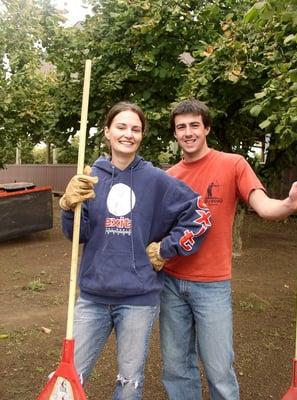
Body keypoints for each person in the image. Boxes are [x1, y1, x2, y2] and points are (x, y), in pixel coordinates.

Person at [59, 101, 212, 400]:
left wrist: (167, 249)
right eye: (121, 127)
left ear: (142, 135)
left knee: (130, 382)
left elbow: (200, 214)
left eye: (135, 129)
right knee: (71, 375)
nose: (128, 134)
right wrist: (68, 206)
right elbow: (78, 234)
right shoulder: (91, 177)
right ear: (107, 132)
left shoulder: (156, 180)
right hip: (92, 296)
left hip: (138, 300)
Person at [156, 99, 297, 400]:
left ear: (207, 128)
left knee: (219, 370)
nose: (188, 132)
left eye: (195, 125)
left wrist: (289, 204)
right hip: (170, 283)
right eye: (181, 127)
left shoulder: (233, 164)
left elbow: (264, 207)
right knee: (176, 367)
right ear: (175, 134)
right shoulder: (168, 178)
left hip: (212, 285)